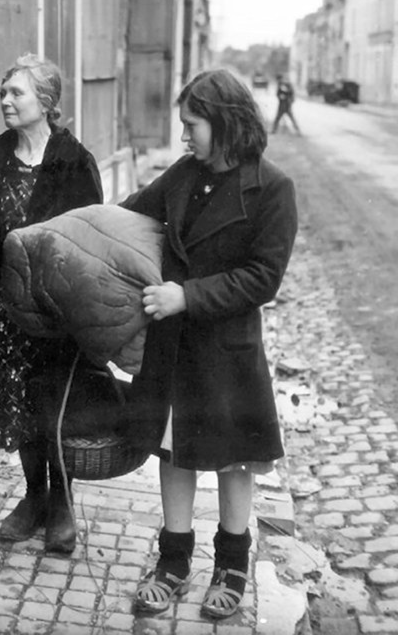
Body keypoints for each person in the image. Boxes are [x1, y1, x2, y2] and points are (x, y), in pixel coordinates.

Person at [120, 69, 297, 618]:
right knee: (174, 455)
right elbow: (132, 213)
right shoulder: (183, 174)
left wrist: (187, 296)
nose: (185, 136)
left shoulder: (272, 188)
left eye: (192, 125)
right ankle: (173, 562)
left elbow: (262, 278)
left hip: (226, 351)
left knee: (232, 461)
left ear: (224, 123)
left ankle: (232, 565)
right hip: (174, 348)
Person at [0, 54, 103, 554]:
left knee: (55, 404)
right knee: (17, 403)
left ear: (45, 102)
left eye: (15, 93)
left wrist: (86, 314)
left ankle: (62, 501)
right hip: (2, 311)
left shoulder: (74, 159)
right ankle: (34, 497)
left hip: (56, 311)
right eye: (3, 92)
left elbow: (91, 242)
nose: (4, 100)